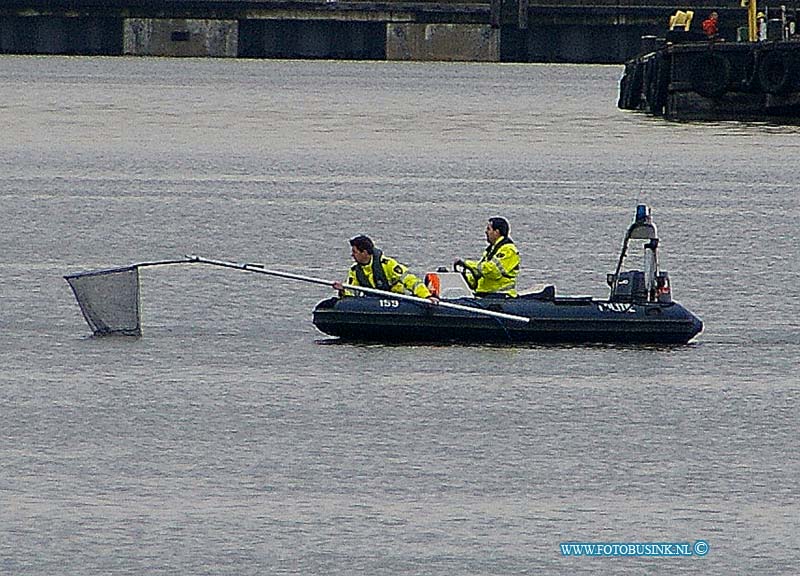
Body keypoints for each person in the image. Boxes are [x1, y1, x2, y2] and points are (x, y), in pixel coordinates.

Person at [332, 235, 436, 301]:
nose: (352, 255)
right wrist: (342, 290)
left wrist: (426, 296)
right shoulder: (355, 271)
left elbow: (411, 281)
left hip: (402, 299)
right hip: (376, 302)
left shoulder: (387, 264)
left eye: (355, 252)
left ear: (364, 252)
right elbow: (352, 290)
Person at [454, 217, 520, 297]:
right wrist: (462, 277)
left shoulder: (508, 250)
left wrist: (466, 263)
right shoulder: (491, 250)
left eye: (489, 229)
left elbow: (493, 271)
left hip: (500, 295)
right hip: (485, 294)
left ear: (496, 232)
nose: (486, 232)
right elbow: (479, 273)